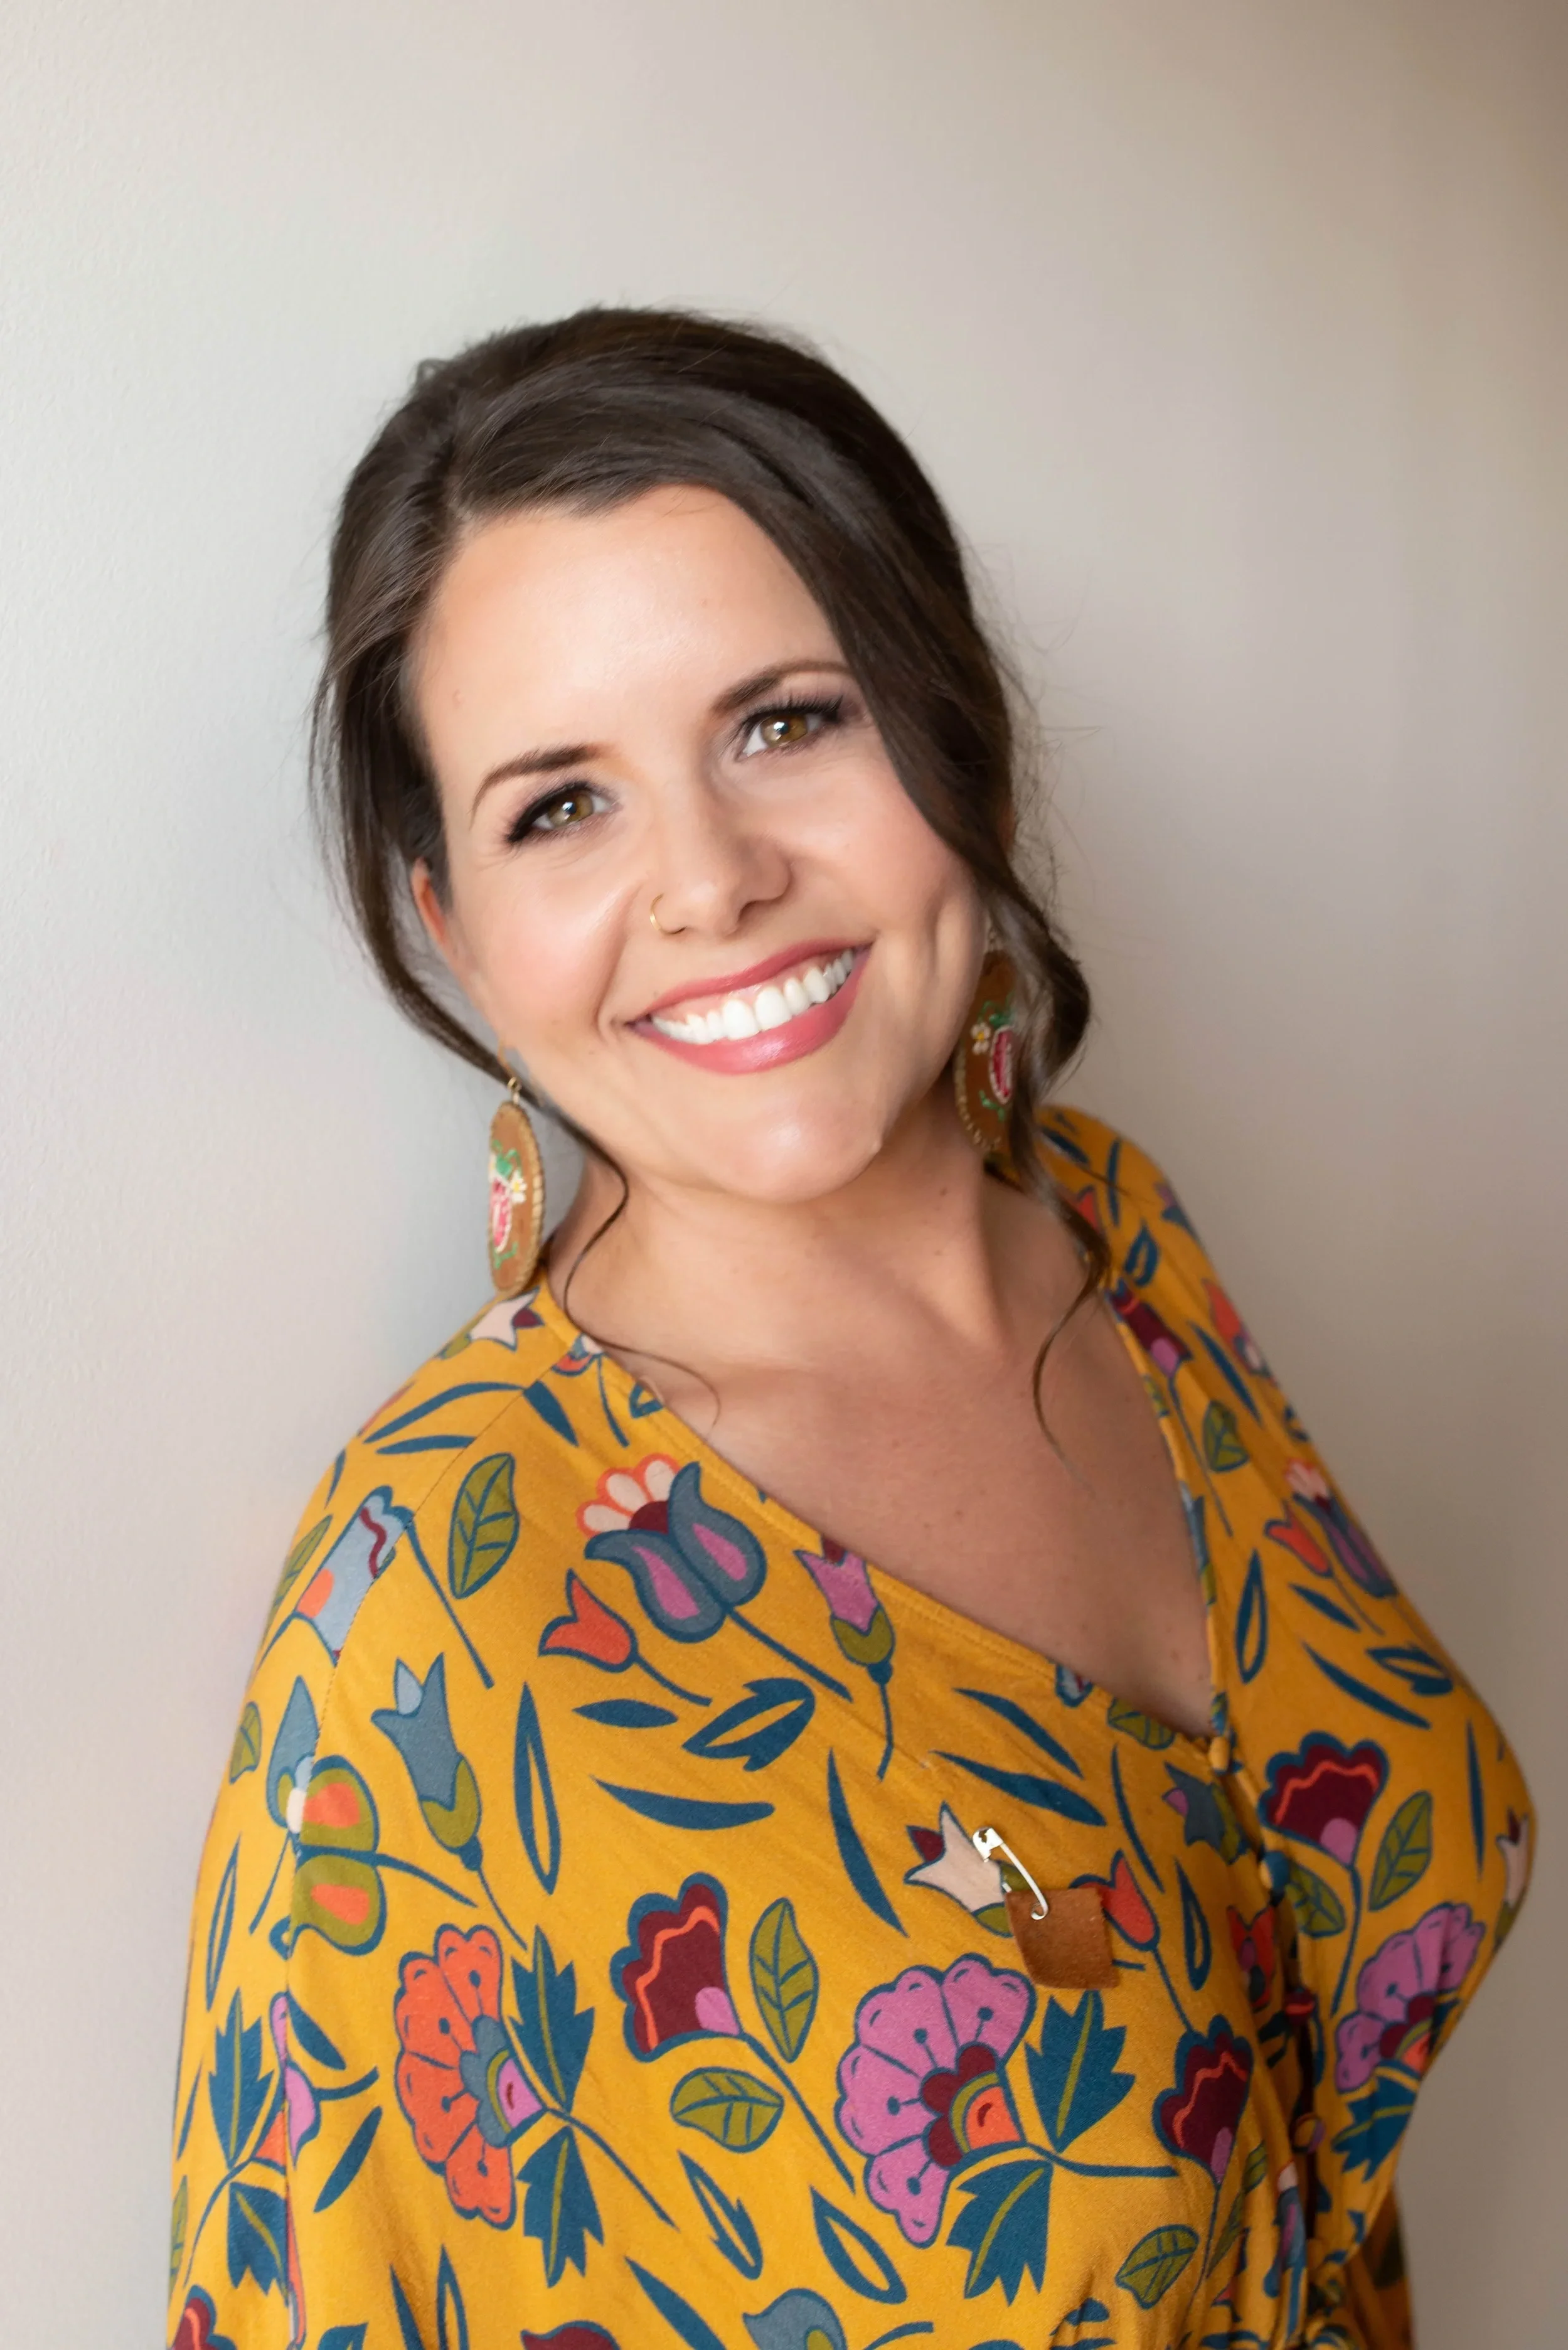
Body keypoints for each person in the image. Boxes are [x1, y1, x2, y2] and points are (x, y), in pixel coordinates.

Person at [168, 307, 1530, 2350]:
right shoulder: (436, 1601)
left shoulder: (1134, 1250)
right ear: (453, 926)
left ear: (948, 717)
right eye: (562, 806)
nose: (710, 880)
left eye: (786, 720)